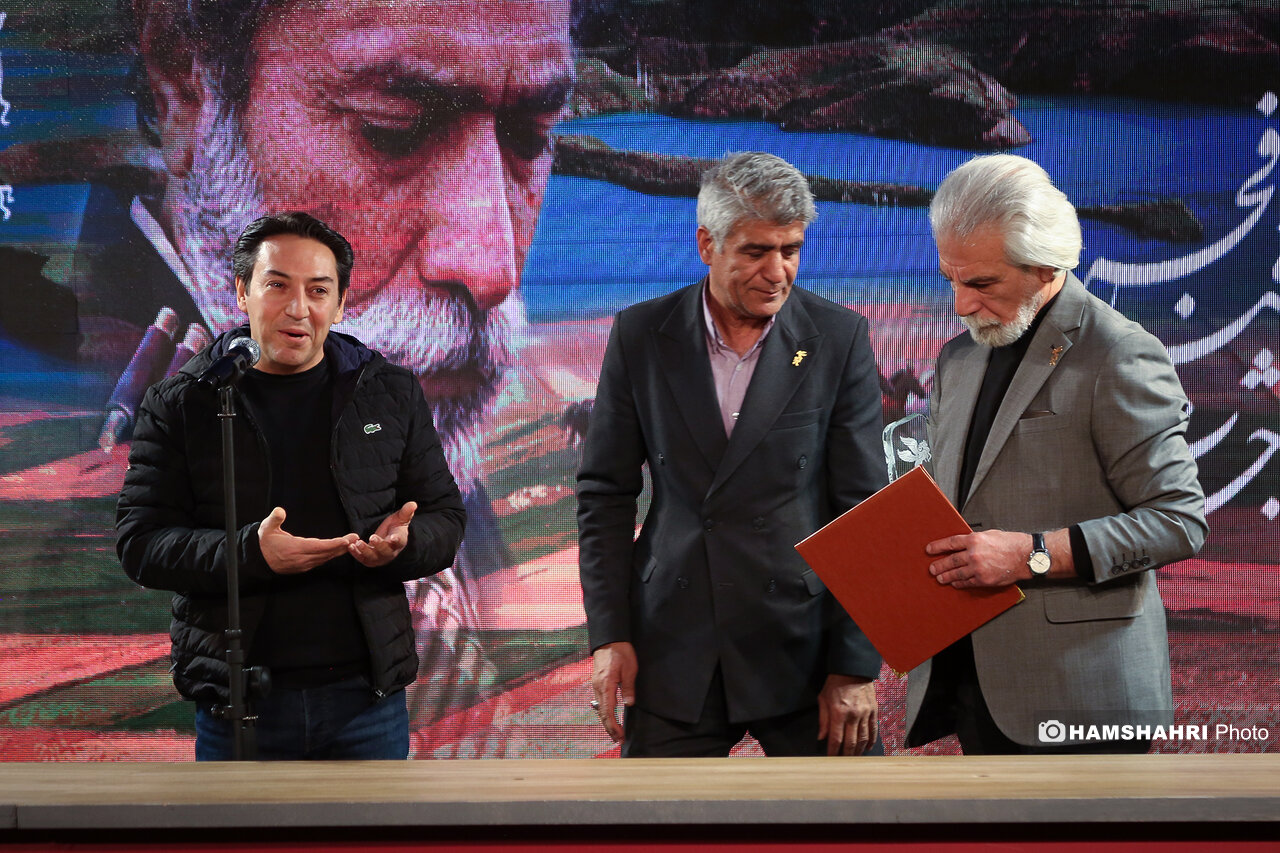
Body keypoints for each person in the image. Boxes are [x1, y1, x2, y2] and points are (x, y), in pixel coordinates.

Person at [116, 212, 466, 760]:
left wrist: (404, 544)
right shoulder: (184, 400)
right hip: (239, 704)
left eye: (318, 290)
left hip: (367, 703)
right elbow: (140, 543)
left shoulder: (389, 392)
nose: (298, 308)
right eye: (277, 285)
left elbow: (444, 516)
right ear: (242, 292)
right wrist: (250, 554)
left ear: (341, 303)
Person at [577, 152, 887, 757]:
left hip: (803, 644)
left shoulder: (838, 337)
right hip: (673, 642)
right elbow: (604, 497)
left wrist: (854, 665)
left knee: (856, 814)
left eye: (791, 250)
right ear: (706, 245)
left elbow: (863, 510)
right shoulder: (640, 335)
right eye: (755, 251)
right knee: (652, 815)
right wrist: (610, 635)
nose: (777, 272)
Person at [904, 154, 1208, 754]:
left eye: (981, 284)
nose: (960, 305)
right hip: (974, 685)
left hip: (1084, 691)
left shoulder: (1119, 353)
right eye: (950, 280)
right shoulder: (959, 357)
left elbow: (1178, 521)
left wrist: (1032, 555)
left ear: (1045, 265)